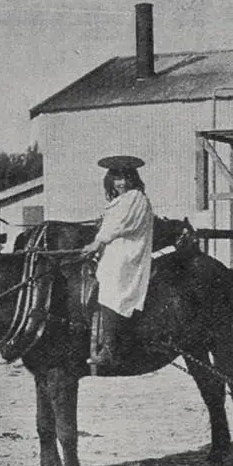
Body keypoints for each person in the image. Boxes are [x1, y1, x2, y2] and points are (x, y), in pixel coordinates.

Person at [82, 155, 154, 369]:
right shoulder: (119, 201)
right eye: (116, 179)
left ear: (133, 179)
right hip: (115, 249)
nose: (121, 183)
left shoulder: (135, 197)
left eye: (125, 178)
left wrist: (98, 242)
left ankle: (110, 348)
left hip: (128, 251)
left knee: (113, 288)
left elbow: (121, 226)